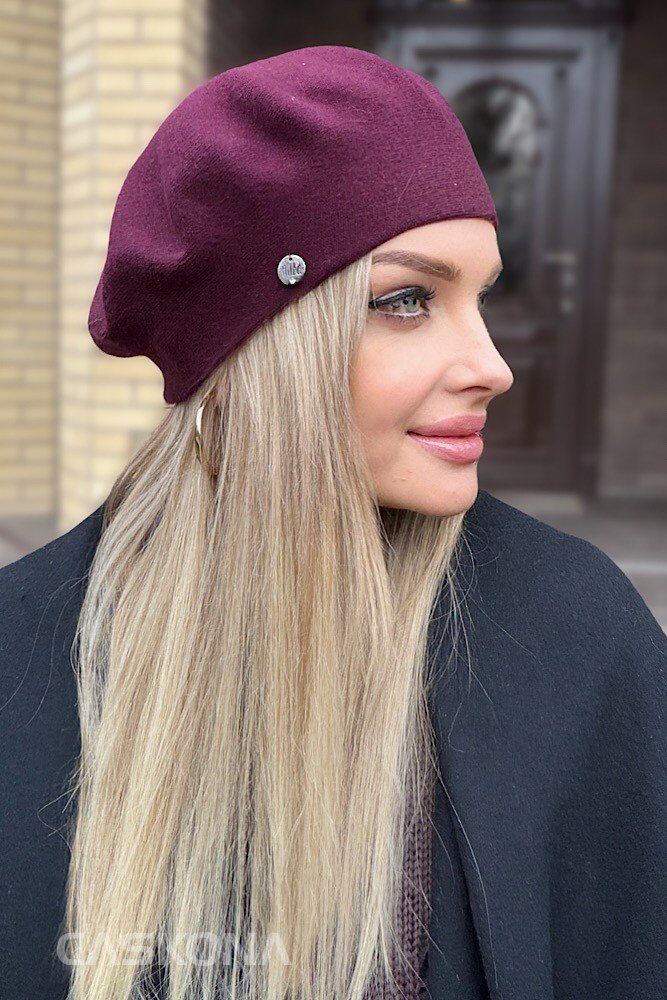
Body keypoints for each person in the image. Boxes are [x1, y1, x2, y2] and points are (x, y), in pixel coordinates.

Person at [0, 45, 664, 1000]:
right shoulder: (25, 659)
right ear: (255, 345)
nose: (492, 366)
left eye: (477, 297)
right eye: (407, 300)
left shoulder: (571, 633)